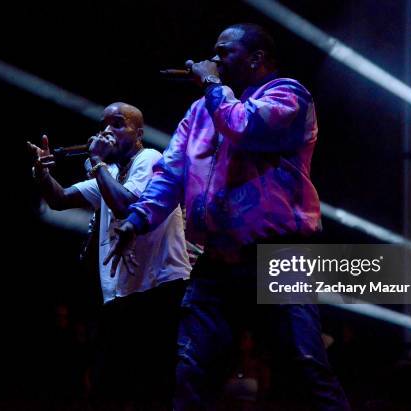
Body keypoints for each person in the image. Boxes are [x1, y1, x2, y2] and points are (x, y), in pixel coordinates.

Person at [105, 25, 351, 410]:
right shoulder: (201, 112)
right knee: (192, 370)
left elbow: (246, 126)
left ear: (256, 59)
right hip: (217, 263)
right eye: (213, 53)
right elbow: (170, 174)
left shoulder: (289, 95)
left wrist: (211, 86)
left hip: (277, 258)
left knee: (304, 369)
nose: (215, 60)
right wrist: (136, 221)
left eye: (224, 52)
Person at [28, 102, 191, 409]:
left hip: (160, 288)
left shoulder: (150, 159)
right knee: (109, 385)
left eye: (117, 124)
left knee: (155, 386)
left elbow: (126, 205)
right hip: (124, 293)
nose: (107, 131)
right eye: (103, 125)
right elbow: (60, 199)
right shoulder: (111, 172)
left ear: (139, 134)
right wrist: (42, 173)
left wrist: (97, 163)